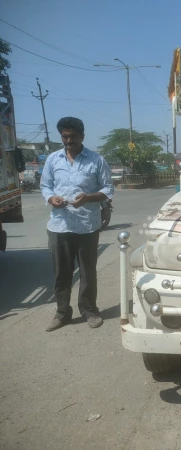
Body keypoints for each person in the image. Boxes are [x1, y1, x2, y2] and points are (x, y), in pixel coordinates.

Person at [41, 117, 114, 331]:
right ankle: (62, 312)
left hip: (87, 226)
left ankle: (89, 310)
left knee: (87, 272)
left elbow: (108, 189)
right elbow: (45, 186)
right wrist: (50, 198)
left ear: (82, 136)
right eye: (65, 136)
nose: (68, 140)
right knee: (61, 272)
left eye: (73, 136)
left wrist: (89, 197)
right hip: (59, 226)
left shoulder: (96, 160)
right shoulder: (53, 159)